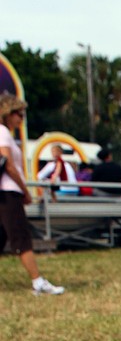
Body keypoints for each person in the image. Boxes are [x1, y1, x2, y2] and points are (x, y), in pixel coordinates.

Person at [0, 93, 65, 295]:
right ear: (8, 113)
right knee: (21, 237)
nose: (22, 118)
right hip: (8, 193)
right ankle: (37, 281)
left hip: (5, 192)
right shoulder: (2, 132)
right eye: (19, 114)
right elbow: (8, 164)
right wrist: (24, 190)